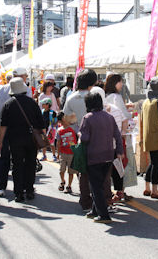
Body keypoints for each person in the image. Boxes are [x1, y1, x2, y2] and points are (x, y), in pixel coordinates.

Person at [0, 78, 45, 202]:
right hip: (31, 139)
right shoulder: (32, 103)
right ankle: (29, 190)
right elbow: (41, 124)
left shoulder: (8, 104)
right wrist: (43, 141)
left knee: (17, 165)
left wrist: (0, 142)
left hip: (15, 139)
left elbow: (3, 126)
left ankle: (18, 193)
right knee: (30, 163)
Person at [80, 92, 124, 224]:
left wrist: (79, 133)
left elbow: (84, 138)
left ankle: (104, 215)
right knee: (99, 184)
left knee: (95, 186)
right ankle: (94, 211)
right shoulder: (109, 117)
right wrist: (120, 151)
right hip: (108, 155)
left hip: (94, 156)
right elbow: (117, 135)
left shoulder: (88, 118)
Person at [63, 68, 98, 211]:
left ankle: (85, 201)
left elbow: (65, 119)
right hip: (98, 137)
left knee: (83, 171)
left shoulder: (71, 97)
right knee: (99, 171)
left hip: (80, 137)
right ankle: (100, 201)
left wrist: (76, 127)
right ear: (93, 82)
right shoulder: (95, 95)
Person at [104, 73, 132, 202]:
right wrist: (123, 133)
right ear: (115, 83)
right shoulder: (117, 97)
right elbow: (124, 117)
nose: (122, 84)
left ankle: (110, 191)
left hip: (106, 137)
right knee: (119, 163)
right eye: (120, 81)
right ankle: (120, 191)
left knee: (109, 165)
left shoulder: (106, 97)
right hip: (118, 136)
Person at [140, 77, 158, 199]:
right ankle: (155, 190)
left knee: (153, 162)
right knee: (157, 164)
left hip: (148, 137)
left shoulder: (146, 102)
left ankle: (147, 187)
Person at [56, 112, 78, 194]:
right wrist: (58, 154)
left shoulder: (73, 127)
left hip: (72, 153)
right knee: (61, 170)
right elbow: (58, 142)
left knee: (71, 171)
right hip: (63, 153)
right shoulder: (59, 130)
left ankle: (69, 185)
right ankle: (62, 181)